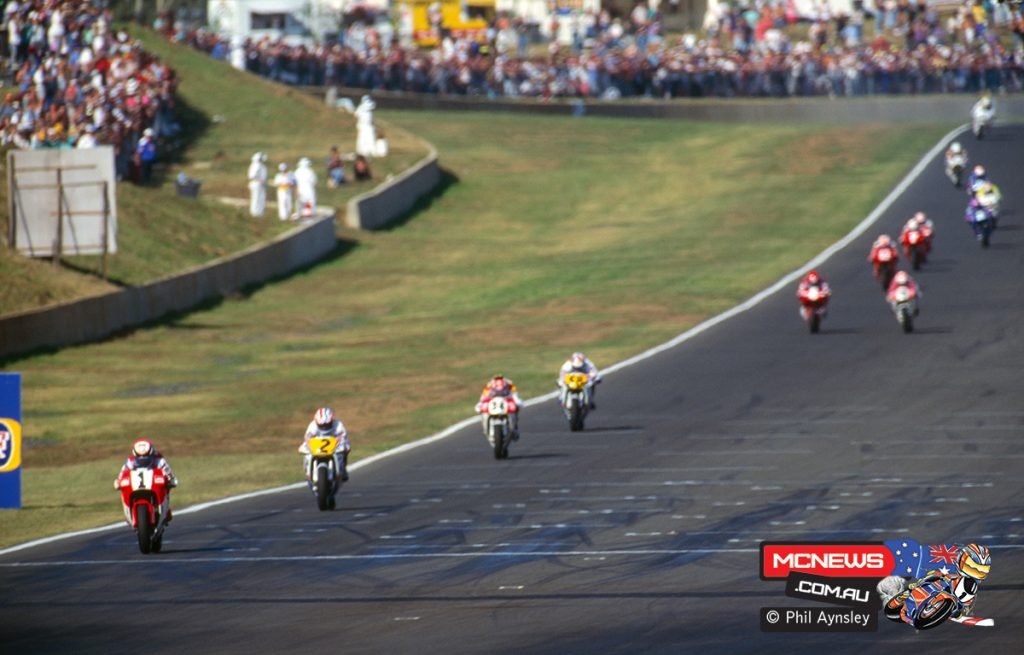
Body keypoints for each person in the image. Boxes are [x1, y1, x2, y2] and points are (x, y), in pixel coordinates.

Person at [114, 438, 178, 520]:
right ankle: (130, 513)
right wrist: (119, 481)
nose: (143, 459)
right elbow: (123, 472)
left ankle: (165, 509)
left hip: (154, 483)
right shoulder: (130, 461)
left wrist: (170, 479)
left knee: (167, 487)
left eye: (146, 457)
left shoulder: (159, 459)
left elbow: (167, 471)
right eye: (139, 457)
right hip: (136, 484)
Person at [299, 407, 351, 482]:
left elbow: (343, 436)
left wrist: (341, 443)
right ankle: (308, 471)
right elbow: (307, 437)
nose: (324, 427)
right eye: (321, 426)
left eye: (327, 425)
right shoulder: (312, 425)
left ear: (332, 421)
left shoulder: (338, 424)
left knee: (346, 449)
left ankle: (343, 469)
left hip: (333, 447)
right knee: (306, 452)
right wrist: (308, 445)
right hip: (317, 447)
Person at [476, 375, 522, 440]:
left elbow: (515, 395)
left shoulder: (510, 385)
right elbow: (483, 397)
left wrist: (516, 401)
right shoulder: (489, 386)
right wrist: (480, 404)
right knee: (483, 411)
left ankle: (514, 428)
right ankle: (486, 430)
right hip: (493, 404)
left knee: (515, 407)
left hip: (505, 403)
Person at [247, 152, 267, 217]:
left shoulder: (260, 165)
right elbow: (252, 176)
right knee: (256, 198)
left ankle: (259, 212)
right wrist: (259, 180)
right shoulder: (256, 165)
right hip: (256, 183)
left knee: (261, 198)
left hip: (260, 183)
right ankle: (255, 212)